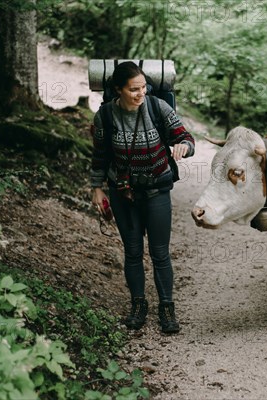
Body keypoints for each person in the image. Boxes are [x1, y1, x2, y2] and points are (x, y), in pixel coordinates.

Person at [90, 61, 195, 334]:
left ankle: (167, 308)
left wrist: (183, 146)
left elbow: (186, 138)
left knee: (160, 253)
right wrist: (97, 188)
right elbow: (100, 156)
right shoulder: (105, 116)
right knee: (133, 252)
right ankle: (138, 305)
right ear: (118, 90)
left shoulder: (158, 107)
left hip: (157, 189)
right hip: (122, 193)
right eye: (134, 90)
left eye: (144, 88)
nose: (141, 94)